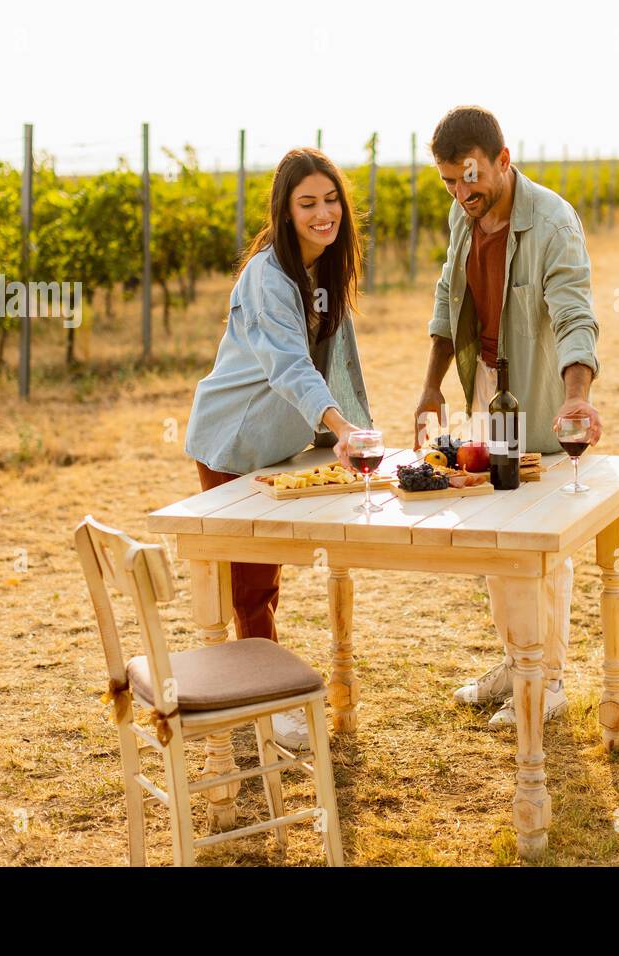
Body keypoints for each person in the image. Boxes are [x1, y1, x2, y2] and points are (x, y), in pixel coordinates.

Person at [413, 106, 602, 727]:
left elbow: (575, 312)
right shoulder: (461, 214)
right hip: (490, 391)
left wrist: (578, 396)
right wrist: (431, 388)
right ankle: (517, 661)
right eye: (448, 181)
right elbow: (449, 295)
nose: (461, 192)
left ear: (502, 160)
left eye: (470, 177)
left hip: (542, 393)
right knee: (498, 531)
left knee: (543, 541)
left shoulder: (553, 221)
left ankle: (548, 682)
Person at [185, 147, 372, 749]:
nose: (324, 213)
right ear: (285, 212)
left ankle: (265, 694)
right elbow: (290, 367)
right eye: (307, 203)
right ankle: (263, 710)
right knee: (252, 584)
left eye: (331, 199)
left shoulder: (325, 268)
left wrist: (355, 430)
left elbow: (338, 361)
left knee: (267, 576)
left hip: (284, 443)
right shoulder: (269, 276)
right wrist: (345, 431)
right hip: (234, 442)